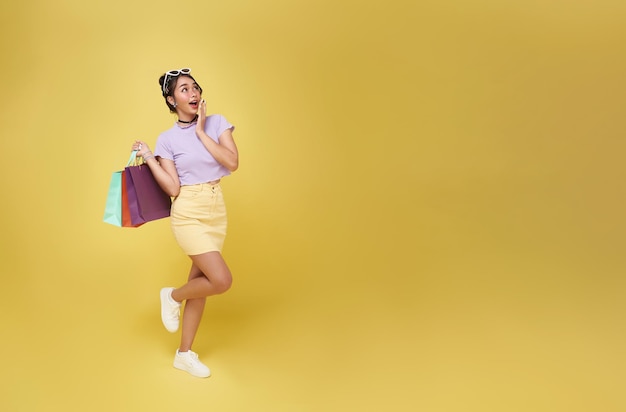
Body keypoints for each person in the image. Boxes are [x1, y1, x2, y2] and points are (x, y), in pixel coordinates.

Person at [131, 68, 239, 378]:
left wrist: (202, 131)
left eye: (195, 87)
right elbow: (174, 188)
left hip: (216, 211)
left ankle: (184, 354)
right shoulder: (167, 140)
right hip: (189, 211)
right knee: (221, 280)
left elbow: (232, 162)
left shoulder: (217, 123)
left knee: (201, 289)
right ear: (171, 99)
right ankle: (172, 296)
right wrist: (151, 157)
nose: (193, 93)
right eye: (184, 90)